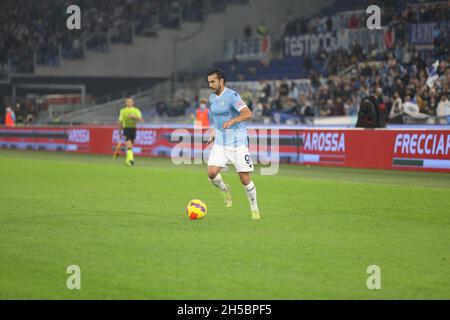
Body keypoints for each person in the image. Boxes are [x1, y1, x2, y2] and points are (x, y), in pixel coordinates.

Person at [206, 69, 260, 220]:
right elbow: (217, 120)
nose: (210, 85)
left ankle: (254, 208)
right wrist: (215, 133)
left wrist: (233, 120)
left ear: (221, 81)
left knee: (244, 179)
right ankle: (224, 190)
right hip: (221, 142)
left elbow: (248, 113)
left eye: (213, 81)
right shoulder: (212, 98)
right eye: (209, 82)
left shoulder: (232, 96)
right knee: (211, 173)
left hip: (237, 142)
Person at [118, 97, 143, 166]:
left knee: (131, 145)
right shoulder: (123, 111)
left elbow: (141, 120)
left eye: (130, 102)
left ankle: (127, 161)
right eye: (127, 102)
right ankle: (131, 160)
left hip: (133, 129)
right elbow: (121, 121)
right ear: (126, 103)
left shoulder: (136, 110)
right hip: (126, 129)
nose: (129, 103)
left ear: (132, 103)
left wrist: (134, 117)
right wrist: (120, 131)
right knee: (129, 145)